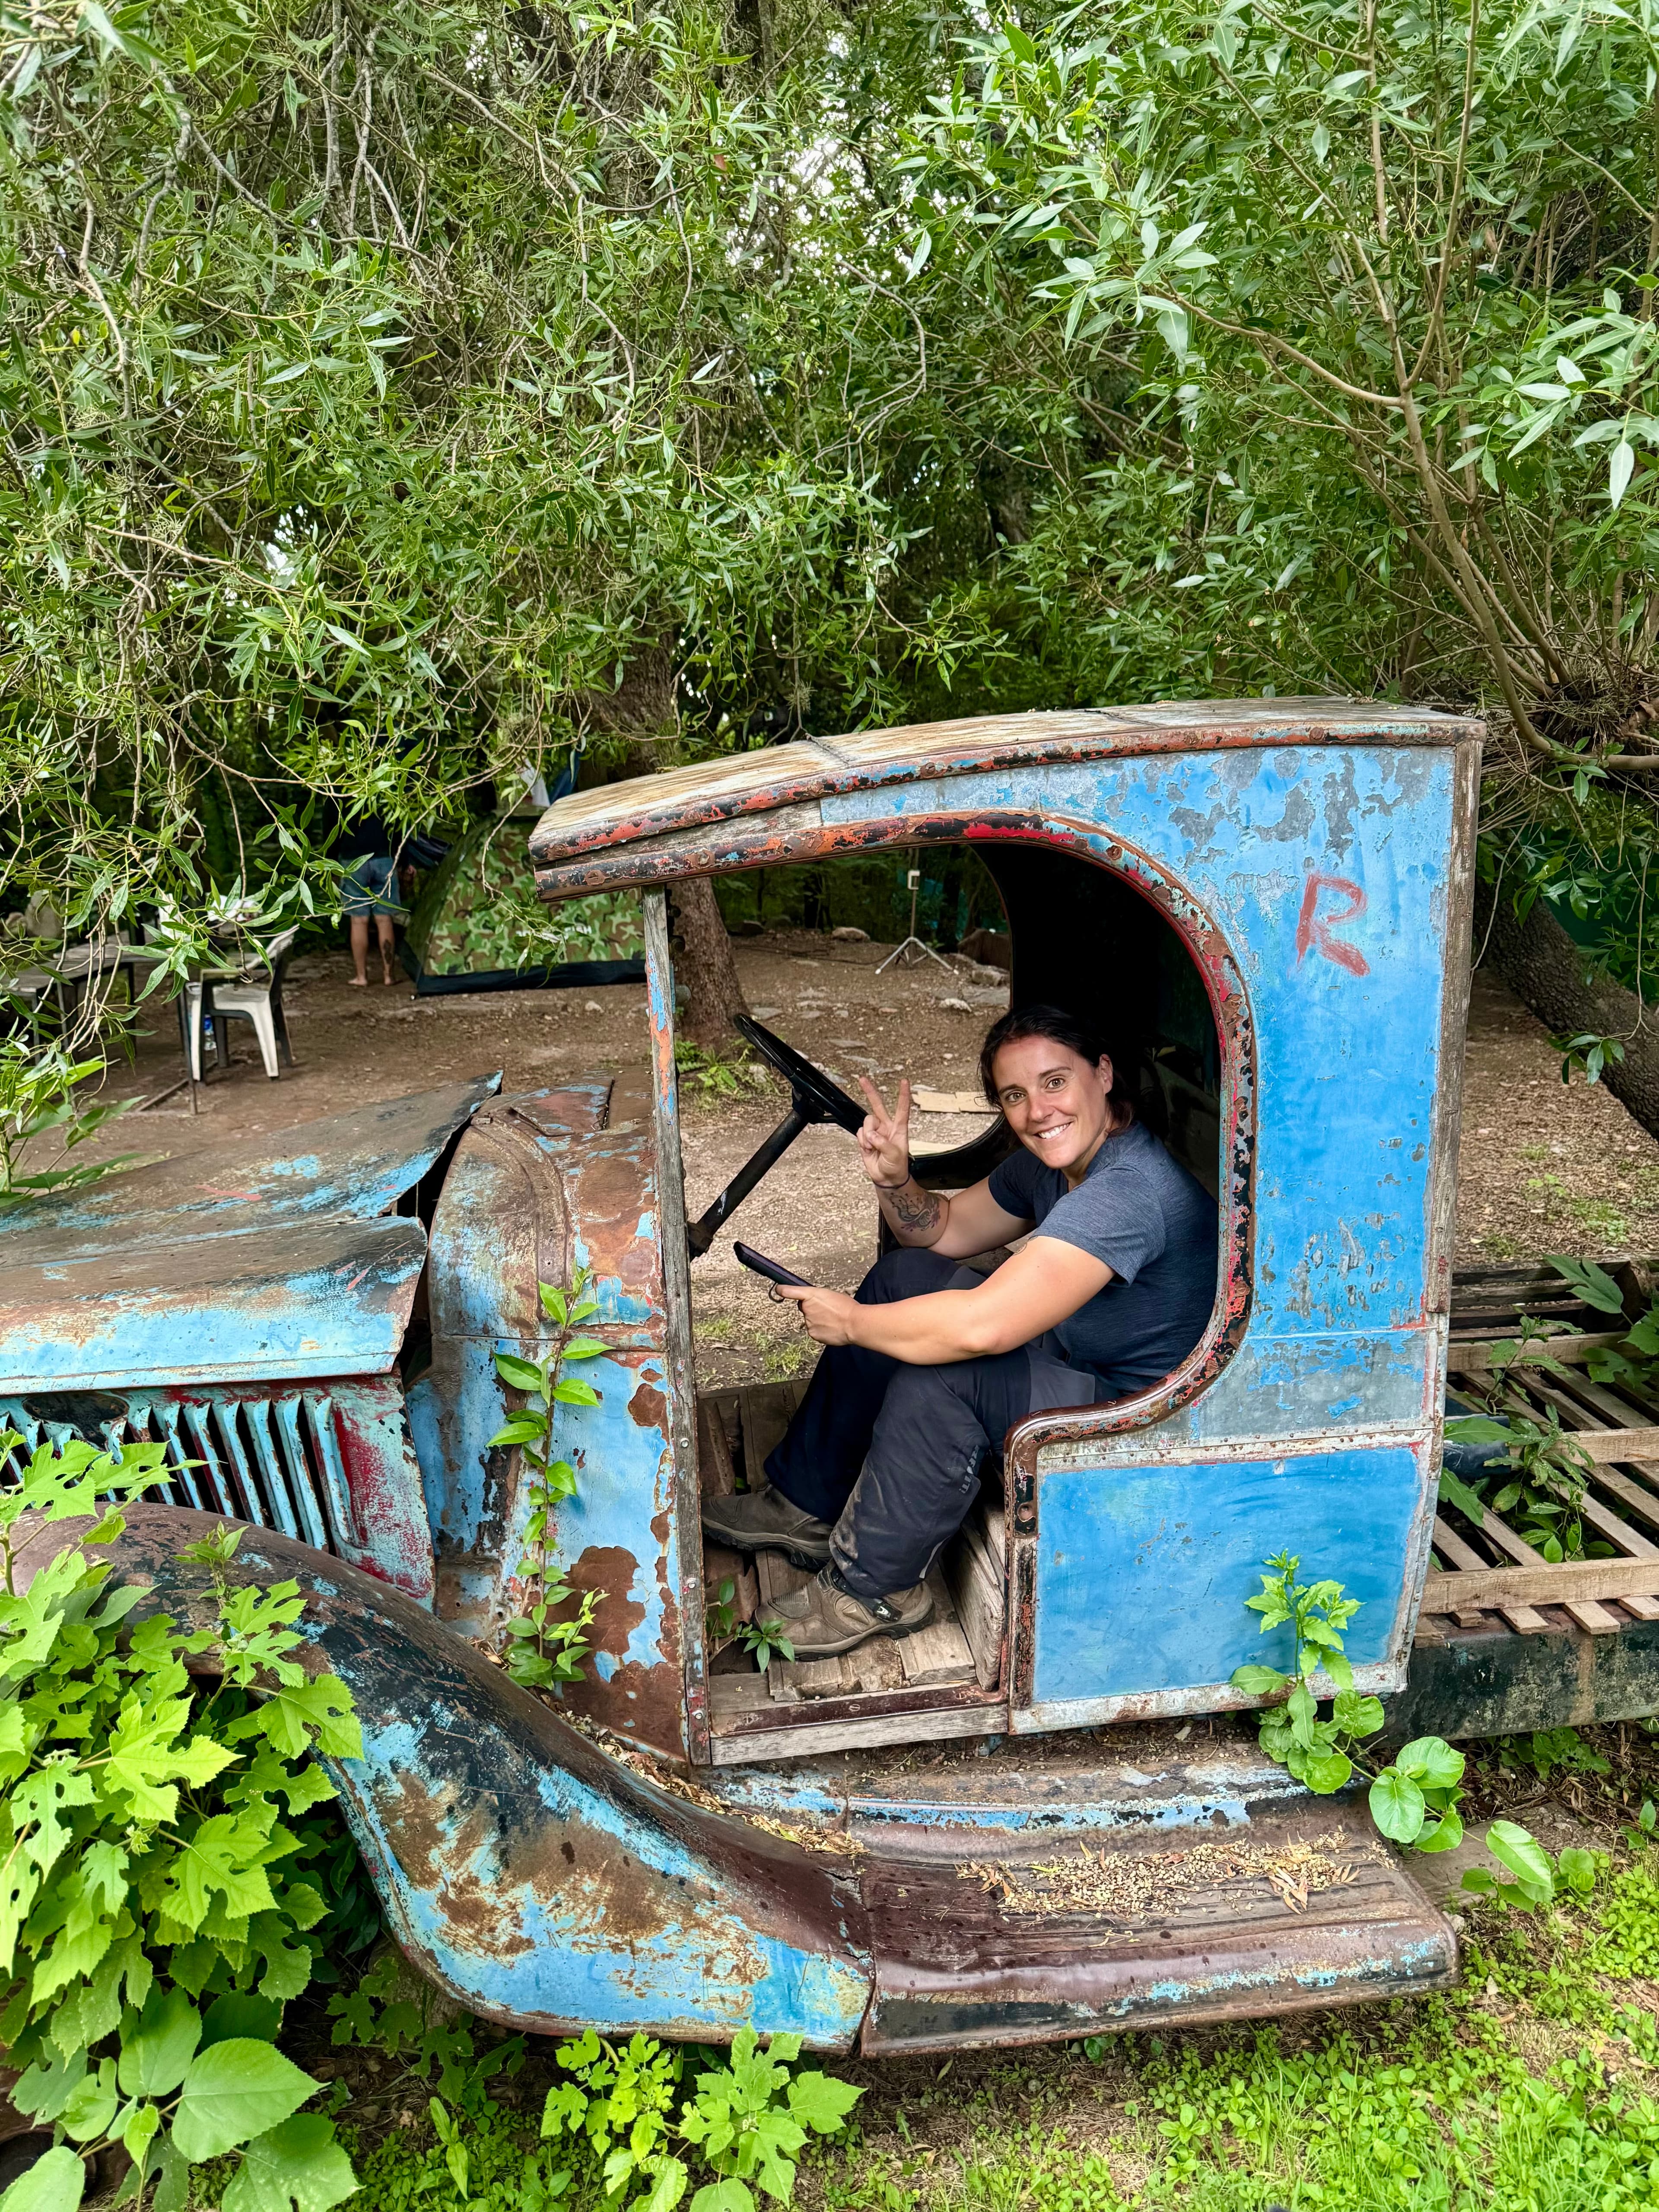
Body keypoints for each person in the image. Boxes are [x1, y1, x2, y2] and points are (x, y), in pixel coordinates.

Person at [701, 1004, 1218, 1659]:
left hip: (1137, 1421)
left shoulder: (1128, 1191)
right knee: (904, 1277)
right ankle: (809, 1502)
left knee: (949, 1374)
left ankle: (877, 1589)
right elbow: (941, 1230)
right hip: (1074, 1361)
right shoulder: (1053, 1165)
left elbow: (985, 1327)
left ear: (1104, 1073)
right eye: (1015, 1096)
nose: (1038, 1112)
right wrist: (896, 1181)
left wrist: (855, 1325)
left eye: (1055, 1082)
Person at [338, 816, 410, 987]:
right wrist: (404, 862)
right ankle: (388, 976)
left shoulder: (338, 792)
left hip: (352, 860)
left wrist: (331, 863)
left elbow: (331, 829)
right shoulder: (385, 792)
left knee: (358, 921)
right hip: (384, 858)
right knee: (385, 920)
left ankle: (361, 977)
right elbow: (399, 827)